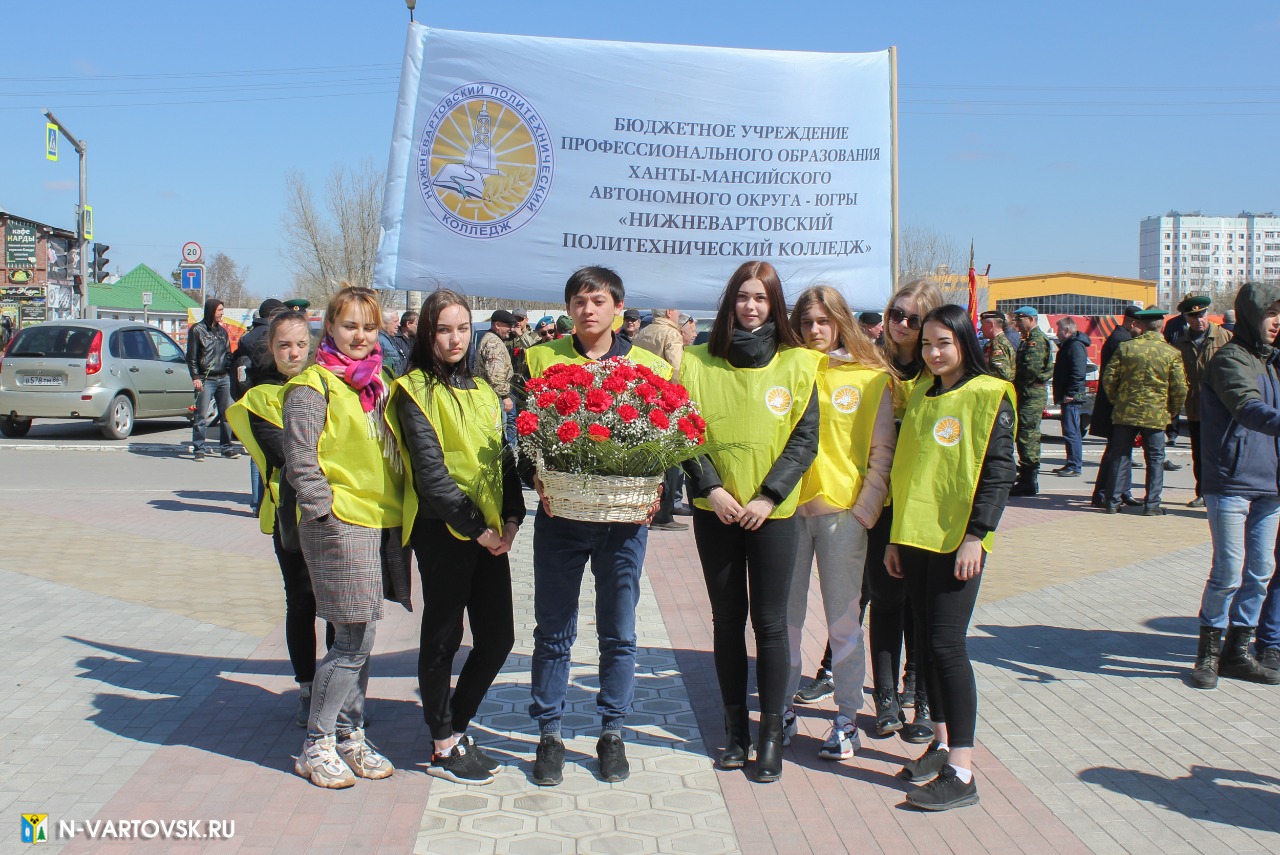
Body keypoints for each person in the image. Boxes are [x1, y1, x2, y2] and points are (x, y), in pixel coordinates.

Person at [523, 267, 673, 787]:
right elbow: (526, 432)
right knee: (553, 629)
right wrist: (534, 474)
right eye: (579, 301)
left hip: (622, 521)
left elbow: (664, 439)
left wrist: (657, 487)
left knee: (619, 630)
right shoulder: (541, 358)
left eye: (599, 300)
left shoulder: (650, 365)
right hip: (560, 516)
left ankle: (612, 731)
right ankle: (549, 733)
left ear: (618, 307)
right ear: (568, 309)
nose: (589, 309)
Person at [680, 260, 821, 783]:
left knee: (771, 624)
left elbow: (804, 440)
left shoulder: (799, 363)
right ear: (730, 301)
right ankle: (735, 731)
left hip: (772, 515)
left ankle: (771, 736)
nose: (751, 306)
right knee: (727, 621)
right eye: (743, 296)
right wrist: (711, 488)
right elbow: (683, 431)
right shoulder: (695, 361)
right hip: (715, 510)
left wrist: (768, 496)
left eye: (761, 298)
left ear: (775, 305)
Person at [387, 289, 525, 785]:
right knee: (443, 636)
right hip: (443, 530)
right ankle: (442, 744)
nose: (454, 339)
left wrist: (512, 519)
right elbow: (432, 476)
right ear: (427, 333)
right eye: (443, 329)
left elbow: (502, 458)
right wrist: (479, 530)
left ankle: (456, 726)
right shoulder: (412, 390)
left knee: (499, 638)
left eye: (462, 328)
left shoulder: (483, 389)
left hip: (489, 532)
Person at [885, 303, 1016, 811]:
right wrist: (895, 538)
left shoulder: (989, 393)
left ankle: (962, 771)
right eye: (927, 344)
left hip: (957, 542)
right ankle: (941, 746)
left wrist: (976, 536)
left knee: (947, 646)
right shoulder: (922, 393)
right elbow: (908, 470)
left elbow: (998, 472)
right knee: (926, 644)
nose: (934, 353)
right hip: (914, 537)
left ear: (965, 342)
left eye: (944, 343)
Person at [285, 285, 410, 789]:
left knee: (361, 635)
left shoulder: (375, 383)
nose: (360, 335)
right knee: (354, 637)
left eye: (369, 326)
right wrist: (326, 515)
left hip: (377, 520)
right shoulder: (312, 386)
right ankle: (317, 743)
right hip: (341, 523)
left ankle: (349, 733)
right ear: (330, 328)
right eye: (350, 325)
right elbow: (301, 461)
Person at [782, 285, 894, 761]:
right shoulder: (786, 370)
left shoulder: (870, 377)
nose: (815, 330)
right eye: (807, 322)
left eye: (824, 321)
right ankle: (781, 709)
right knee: (784, 622)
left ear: (841, 322)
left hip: (842, 516)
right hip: (787, 513)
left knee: (844, 622)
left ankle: (847, 716)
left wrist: (865, 509)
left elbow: (882, 452)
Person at [226, 309, 331, 728]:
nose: (294, 352)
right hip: (290, 515)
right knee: (302, 601)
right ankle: (307, 688)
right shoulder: (260, 398)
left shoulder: (325, 384)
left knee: (338, 604)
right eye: (284, 345)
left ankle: (336, 689)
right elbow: (290, 455)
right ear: (271, 348)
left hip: (337, 511)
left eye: (301, 344)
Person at [867, 278, 944, 743]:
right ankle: (886, 699)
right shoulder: (871, 364)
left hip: (924, 504)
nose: (900, 324)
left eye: (912, 319)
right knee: (885, 600)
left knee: (924, 605)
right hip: (880, 501)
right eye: (895, 314)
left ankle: (922, 696)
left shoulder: (939, 374)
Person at [1194, 282, 1280, 689]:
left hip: (1270, 484)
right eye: (1270, 313)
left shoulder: (1271, 361)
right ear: (1250, 315)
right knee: (1228, 572)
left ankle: (1238, 653)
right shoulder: (1230, 359)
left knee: (1260, 572)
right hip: (1231, 481)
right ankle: (1207, 654)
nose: (1277, 322)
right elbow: (1248, 407)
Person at [1097, 308, 1187, 515]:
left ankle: (1112, 502)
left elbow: (1108, 379)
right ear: (1162, 327)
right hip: (1156, 414)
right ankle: (1152, 504)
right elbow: (1180, 388)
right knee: (1155, 459)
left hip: (1125, 412)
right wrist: (1171, 411)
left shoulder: (1126, 348)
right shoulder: (1171, 353)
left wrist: (1118, 401)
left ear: (1142, 325)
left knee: (1120, 456)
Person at [633, 307, 691, 531]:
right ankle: (663, 515)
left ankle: (646, 507)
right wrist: (680, 397)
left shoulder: (643, 333)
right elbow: (677, 370)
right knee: (670, 460)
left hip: (643, 400)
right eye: (677, 310)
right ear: (668, 312)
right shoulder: (671, 334)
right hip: (665, 403)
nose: (679, 315)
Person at [1173, 294, 1232, 507]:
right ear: (1186, 318)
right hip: (1196, 408)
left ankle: (1225, 493)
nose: (1199, 320)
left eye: (1202, 314)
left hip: (1221, 408)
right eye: (1193, 316)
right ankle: (1203, 492)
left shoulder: (1225, 337)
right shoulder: (1181, 343)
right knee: (1199, 453)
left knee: (1224, 452)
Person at [232, 298, 287, 515]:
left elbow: (234, 365)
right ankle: (264, 502)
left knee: (256, 456)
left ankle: (257, 501)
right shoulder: (268, 337)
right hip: (268, 400)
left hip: (251, 397)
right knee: (270, 458)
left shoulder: (247, 337)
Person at [1090, 306, 1143, 508]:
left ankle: (1120, 491)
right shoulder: (1121, 341)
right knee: (1116, 452)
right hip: (1115, 406)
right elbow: (1115, 378)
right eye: (1140, 325)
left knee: (1120, 450)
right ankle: (1104, 493)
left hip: (1114, 405)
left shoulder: (1120, 337)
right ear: (1133, 323)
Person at [186, 298, 239, 462]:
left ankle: (226, 447)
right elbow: (191, 356)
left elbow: (228, 354)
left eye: (223, 310)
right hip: (205, 379)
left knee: (227, 415)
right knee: (201, 416)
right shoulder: (197, 330)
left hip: (223, 378)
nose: (222, 313)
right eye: (219, 310)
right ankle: (199, 449)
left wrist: (230, 369)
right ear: (211, 310)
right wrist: (195, 376)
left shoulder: (222, 332)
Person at [1009, 307, 1052, 496]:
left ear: (1031, 319)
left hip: (1031, 393)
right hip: (1027, 392)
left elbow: (1030, 370)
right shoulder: (1028, 339)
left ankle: (1029, 480)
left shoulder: (1036, 340)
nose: (1017, 324)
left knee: (1028, 434)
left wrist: (1016, 383)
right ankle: (1026, 477)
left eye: (1020, 320)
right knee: (1024, 433)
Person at [1051, 317, 1090, 477]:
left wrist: (1071, 393)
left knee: (1072, 431)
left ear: (1067, 330)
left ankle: (1074, 465)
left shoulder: (1075, 346)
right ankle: (1071, 463)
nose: (1057, 333)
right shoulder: (1069, 345)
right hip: (1068, 396)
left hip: (1072, 397)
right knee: (1069, 431)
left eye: (1058, 330)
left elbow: (1078, 372)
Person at [979, 311, 1015, 382]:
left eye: (982, 324)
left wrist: (981, 374)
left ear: (991, 325)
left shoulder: (998, 344)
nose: (981, 328)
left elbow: (1002, 374)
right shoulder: (994, 342)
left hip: (997, 386)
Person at [378, 311, 408, 377]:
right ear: (385, 323)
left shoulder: (389, 338)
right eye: (395, 321)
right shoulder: (379, 340)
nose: (399, 324)